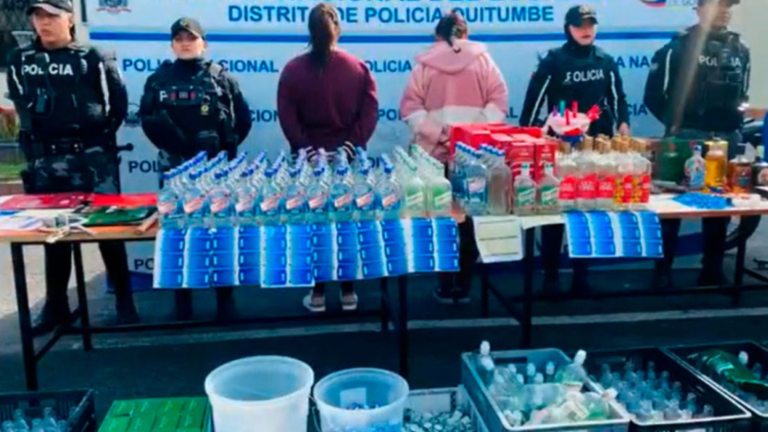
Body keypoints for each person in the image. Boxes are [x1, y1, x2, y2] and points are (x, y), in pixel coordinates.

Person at [5, 0, 138, 333]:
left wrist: (99, 138)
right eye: (37, 16)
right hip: (47, 159)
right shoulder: (21, 58)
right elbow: (20, 103)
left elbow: (118, 102)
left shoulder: (93, 56)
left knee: (110, 230)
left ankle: (125, 303)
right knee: (53, 233)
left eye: (51, 16)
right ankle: (56, 306)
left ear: (69, 19)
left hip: (92, 157)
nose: (44, 22)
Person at [139, 18, 253, 320]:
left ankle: (225, 300)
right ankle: (182, 302)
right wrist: (174, 145)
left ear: (204, 43)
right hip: (175, 168)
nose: (185, 43)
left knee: (221, 233)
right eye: (179, 38)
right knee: (177, 235)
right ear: (172, 44)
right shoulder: (158, 79)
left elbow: (243, 120)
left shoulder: (221, 78)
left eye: (191, 38)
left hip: (215, 169)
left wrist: (221, 148)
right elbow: (147, 120)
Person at [520, 5, 630, 294]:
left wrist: (623, 123)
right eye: (580, 25)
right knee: (555, 211)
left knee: (590, 210)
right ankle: (551, 278)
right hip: (561, 148)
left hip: (596, 148)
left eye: (591, 25)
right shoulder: (553, 61)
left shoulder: (605, 60)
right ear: (568, 28)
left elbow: (618, 98)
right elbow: (533, 102)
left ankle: (582, 277)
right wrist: (529, 135)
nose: (586, 30)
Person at [400, 11, 508, 304]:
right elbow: (499, 102)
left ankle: (445, 284)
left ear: (437, 36)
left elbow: (410, 109)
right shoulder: (484, 61)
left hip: (433, 158)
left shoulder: (424, 65)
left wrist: (440, 135)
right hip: (473, 158)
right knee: (470, 219)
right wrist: (468, 136)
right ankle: (465, 285)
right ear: (465, 34)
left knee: (440, 220)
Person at [277, 3, 378, 313]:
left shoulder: (293, 70)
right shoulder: (357, 68)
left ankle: (318, 293)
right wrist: (349, 147)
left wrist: (307, 150)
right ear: (339, 29)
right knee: (347, 224)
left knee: (316, 226)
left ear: (309, 31)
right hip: (349, 160)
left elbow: (287, 117)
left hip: (310, 163)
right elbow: (369, 113)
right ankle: (348, 292)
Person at [644, 0, 750, 288]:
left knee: (718, 206)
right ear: (700, 10)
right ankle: (662, 271)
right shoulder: (678, 48)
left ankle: (711, 270)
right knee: (671, 207)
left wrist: (734, 130)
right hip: (685, 137)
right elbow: (653, 96)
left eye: (729, 6)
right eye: (718, 5)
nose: (725, 11)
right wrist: (677, 127)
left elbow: (742, 94)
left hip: (725, 139)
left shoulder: (740, 49)